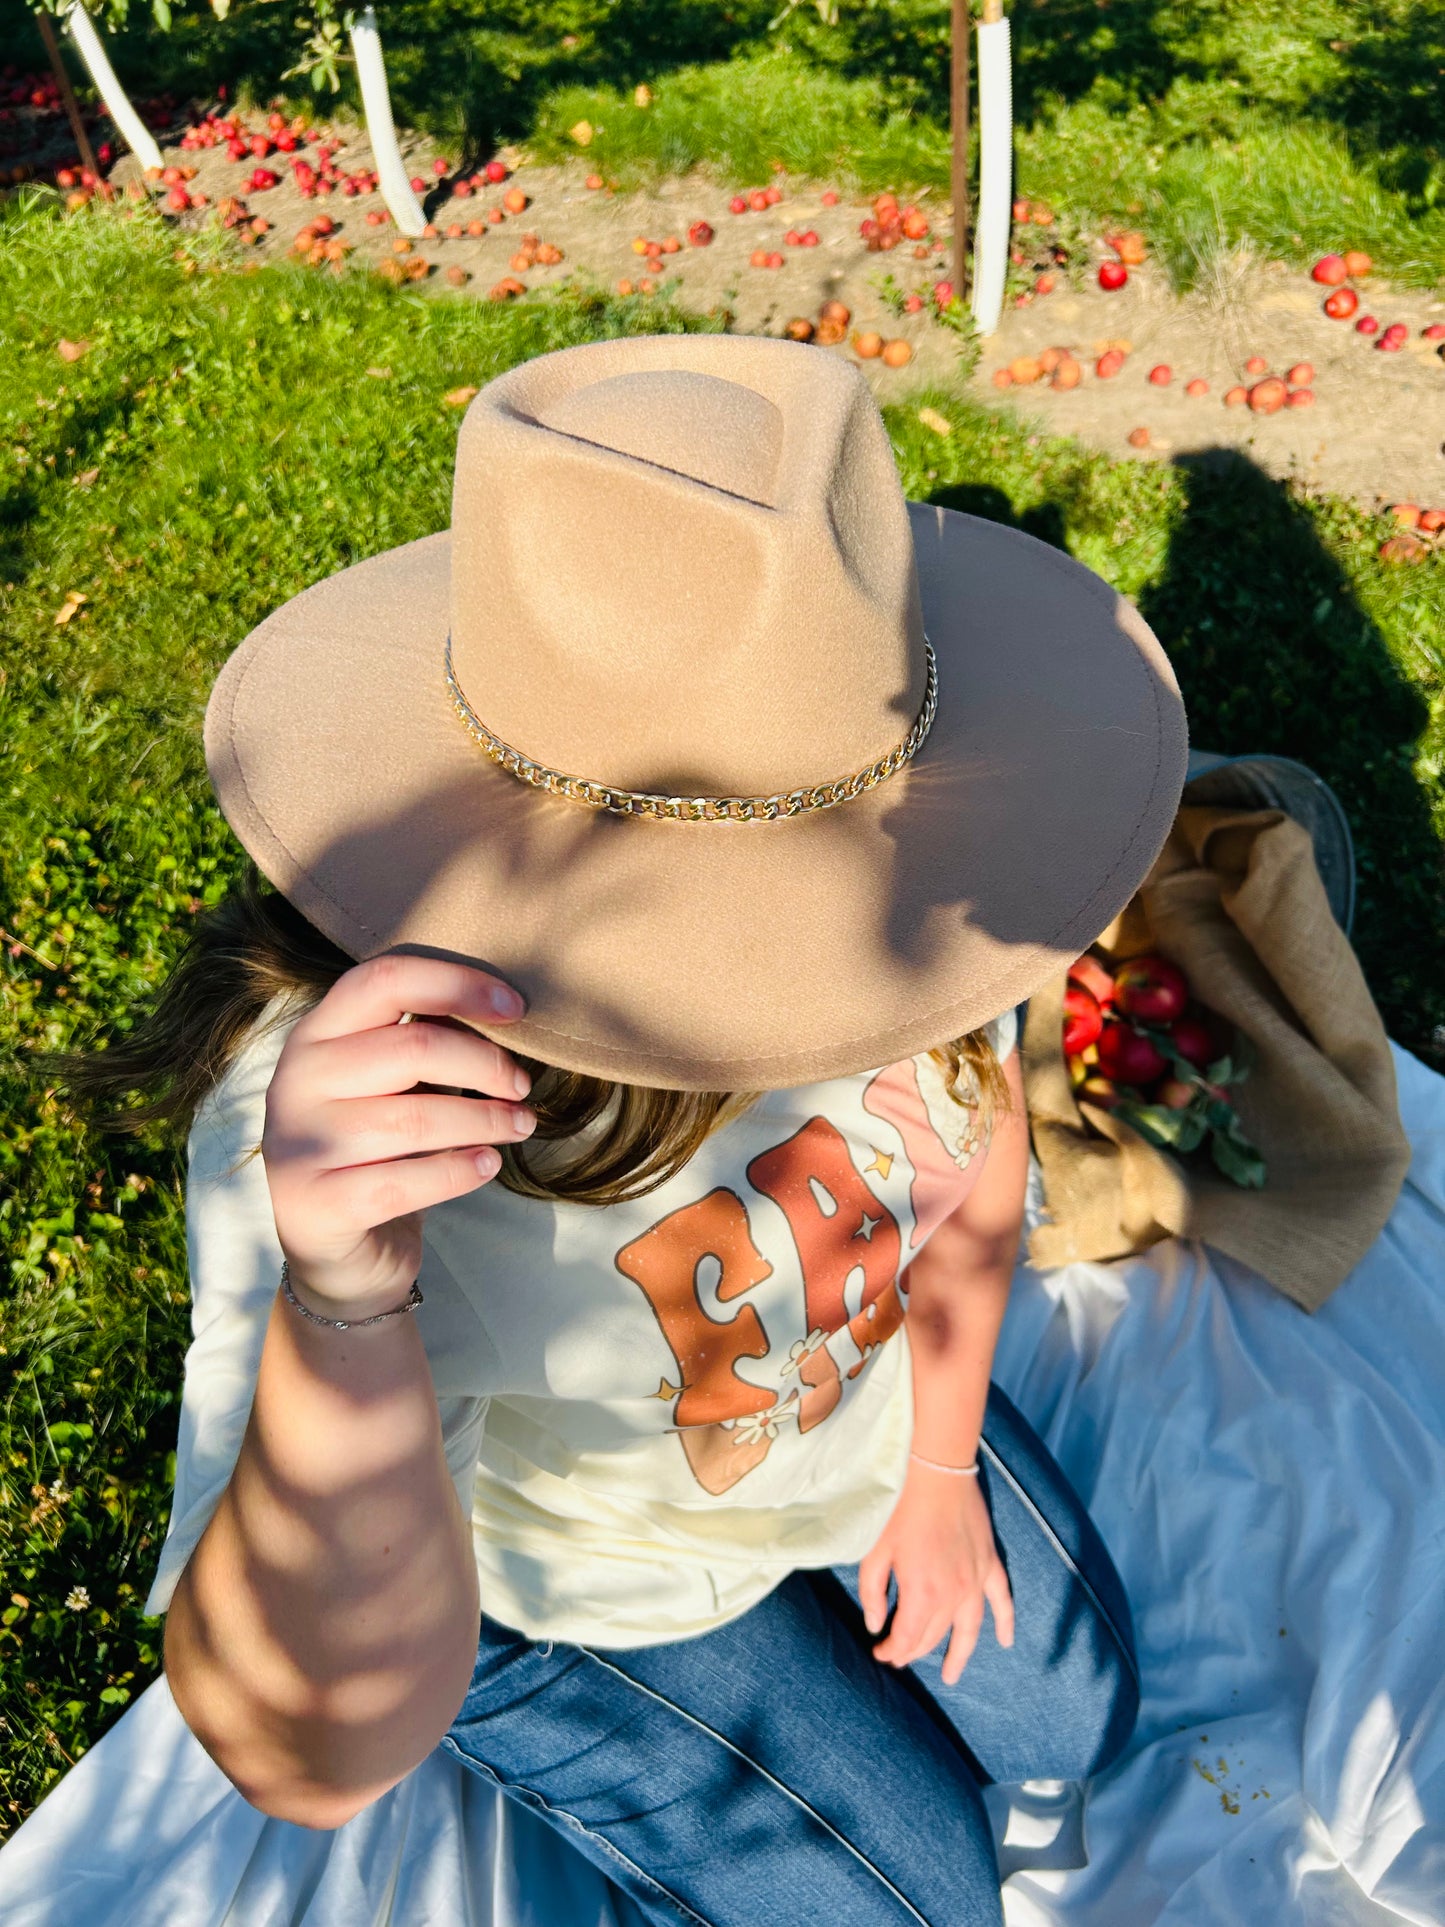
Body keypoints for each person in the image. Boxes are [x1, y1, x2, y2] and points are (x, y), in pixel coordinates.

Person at [56, 333, 1187, 1926]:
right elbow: (303, 1747)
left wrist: (935, 1469)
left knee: (1085, 1722)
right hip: (582, 1585)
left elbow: (973, 1152)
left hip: (846, 1424)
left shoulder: (937, 868)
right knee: (916, 1907)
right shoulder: (361, 1113)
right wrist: (343, 1294)